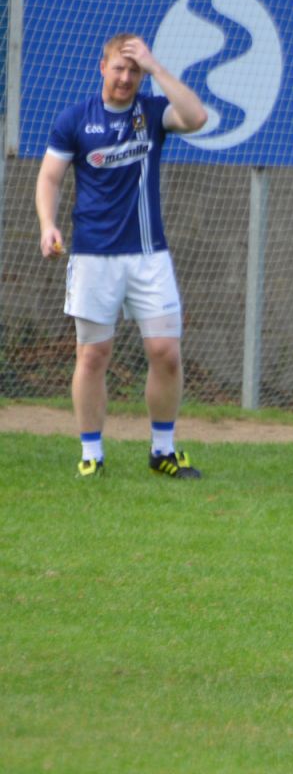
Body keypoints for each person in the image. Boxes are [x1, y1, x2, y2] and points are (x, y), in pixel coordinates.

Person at [36, 33, 208, 479]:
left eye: (134, 70)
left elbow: (197, 116)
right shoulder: (75, 119)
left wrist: (158, 69)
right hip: (94, 256)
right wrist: (47, 225)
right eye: (120, 68)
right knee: (93, 356)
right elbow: (50, 177)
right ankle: (92, 454)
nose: (126, 77)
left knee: (166, 352)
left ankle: (163, 450)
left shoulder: (151, 113)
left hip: (149, 256)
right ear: (102, 68)